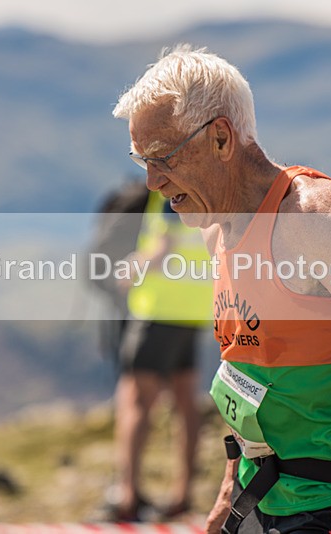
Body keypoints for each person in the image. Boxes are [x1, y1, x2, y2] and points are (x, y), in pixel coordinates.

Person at [111, 45, 331, 534]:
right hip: (259, 501)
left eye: (162, 158)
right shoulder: (214, 227)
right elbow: (245, 370)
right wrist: (231, 487)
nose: (152, 181)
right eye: (142, 160)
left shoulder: (308, 217)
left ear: (221, 137)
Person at [89, 181, 213, 521]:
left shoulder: (168, 193)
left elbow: (163, 246)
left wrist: (129, 271)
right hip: (194, 305)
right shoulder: (202, 189)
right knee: (186, 399)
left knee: (135, 397)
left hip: (158, 307)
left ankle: (127, 496)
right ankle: (182, 494)